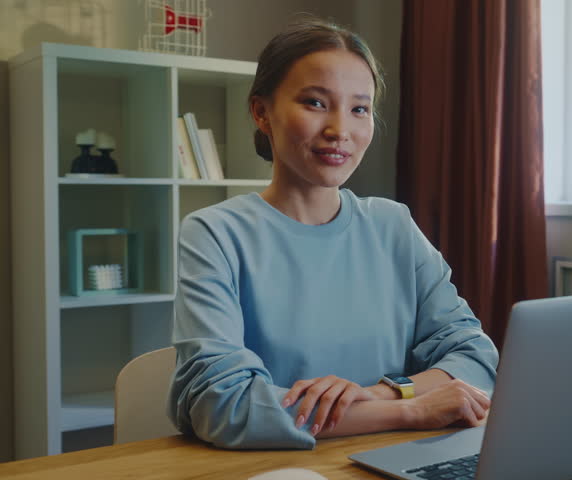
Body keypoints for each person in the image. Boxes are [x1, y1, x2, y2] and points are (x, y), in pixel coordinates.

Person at [167, 18, 499, 450]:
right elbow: (224, 405)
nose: (340, 130)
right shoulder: (214, 234)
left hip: (393, 458)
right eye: (315, 103)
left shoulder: (393, 225)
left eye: (359, 108)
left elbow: (474, 357)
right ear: (261, 111)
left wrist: (383, 391)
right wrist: (410, 409)